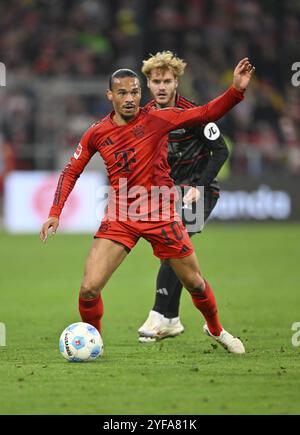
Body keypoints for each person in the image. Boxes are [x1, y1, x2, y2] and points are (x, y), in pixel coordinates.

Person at [40, 58, 255, 354]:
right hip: (122, 215)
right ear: (110, 96)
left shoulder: (159, 119)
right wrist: (55, 212)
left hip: (161, 213)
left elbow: (207, 112)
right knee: (89, 289)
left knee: (195, 284)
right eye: (122, 93)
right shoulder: (96, 133)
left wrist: (235, 91)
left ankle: (217, 329)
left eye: (134, 92)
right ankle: (96, 343)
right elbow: (70, 171)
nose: (130, 99)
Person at [138, 51, 229, 342]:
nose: (161, 86)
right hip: (167, 195)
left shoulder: (195, 115)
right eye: (156, 81)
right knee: (173, 253)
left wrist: (198, 186)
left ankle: (157, 316)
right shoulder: (145, 117)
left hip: (199, 191)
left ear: (177, 82)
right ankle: (173, 319)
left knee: (172, 249)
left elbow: (221, 150)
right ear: (148, 84)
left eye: (167, 80)